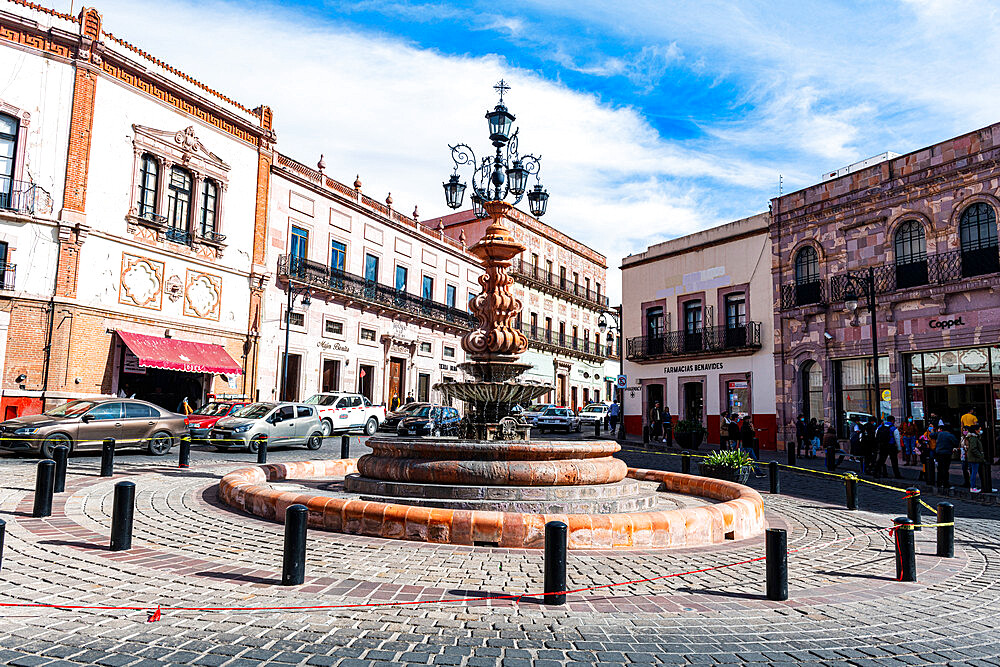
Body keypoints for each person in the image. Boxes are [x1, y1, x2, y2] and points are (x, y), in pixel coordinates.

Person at [874, 415, 902, 479]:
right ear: (892, 421)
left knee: (881, 460)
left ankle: (876, 472)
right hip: (891, 446)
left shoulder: (880, 426)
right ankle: (897, 475)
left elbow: (876, 435)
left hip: (882, 445)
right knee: (894, 461)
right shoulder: (893, 428)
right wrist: (899, 448)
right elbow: (897, 438)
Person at [966, 423, 986, 493]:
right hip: (974, 458)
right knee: (974, 473)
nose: (980, 431)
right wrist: (980, 455)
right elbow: (973, 448)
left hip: (973, 458)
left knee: (974, 473)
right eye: (979, 429)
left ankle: (980, 486)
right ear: (976, 430)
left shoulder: (973, 437)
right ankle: (972, 487)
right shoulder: (974, 438)